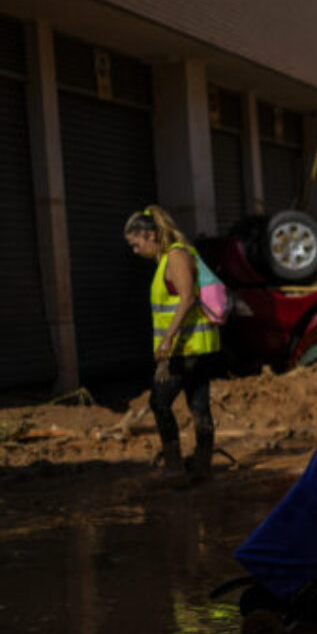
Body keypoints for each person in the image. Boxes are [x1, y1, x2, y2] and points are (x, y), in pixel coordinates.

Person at [124, 205, 222, 484]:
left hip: (186, 348)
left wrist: (167, 341)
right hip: (197, 345)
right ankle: (202, 468)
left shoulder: (176, 256)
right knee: (198, 405)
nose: (135, 251)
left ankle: (175, 466)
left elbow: (187, 298)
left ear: (149, 235)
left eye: (135, 244)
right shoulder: (174, 256)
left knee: (160, 403)